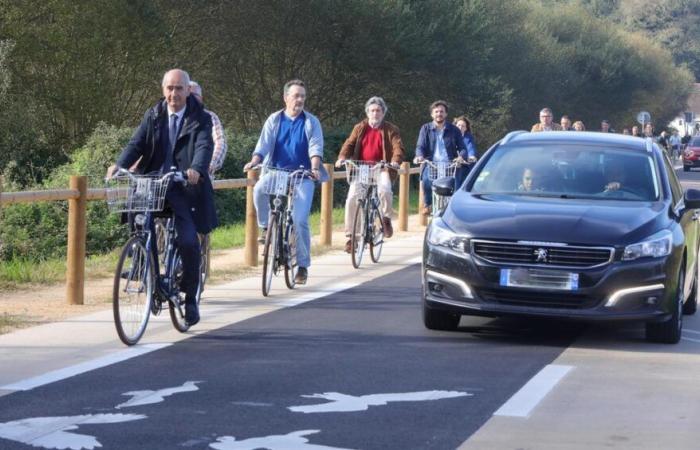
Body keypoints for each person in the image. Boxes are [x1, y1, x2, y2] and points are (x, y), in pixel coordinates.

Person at [106, 69, 217, 327]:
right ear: (163, 89)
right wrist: (119, 165)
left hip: (183, 188)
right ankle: (145, 269)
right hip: (153, 185)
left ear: (189, 90)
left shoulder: (201, 119)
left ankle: (190, 298)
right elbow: (137, 143)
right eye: (169, 88)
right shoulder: (154, 114)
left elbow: (203, 147)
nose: (173, 94)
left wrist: (196, 170)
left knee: (188, 242)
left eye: (179, 88)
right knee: (140, 223)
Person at [243, 79, 326, 285]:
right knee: (260, 189)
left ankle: (303, 266)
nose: (300, 100)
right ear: (285, 98)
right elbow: (263, 145)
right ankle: (265, 227)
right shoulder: (274, 119)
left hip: (303, 175)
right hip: (276, 171)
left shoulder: (311, 121)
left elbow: (316, 147)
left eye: (303, 97)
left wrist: (314, 169)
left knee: (299, 220)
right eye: (296, 96)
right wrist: (254, 161)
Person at [336, 97, 404, 252]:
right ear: (367, 112)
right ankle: (352, 237)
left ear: (383, 112)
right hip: (361, 169)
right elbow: (349, 143)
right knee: (352, 198)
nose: (375, 113)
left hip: (382, 168)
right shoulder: (360, 127)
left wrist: (395, 161)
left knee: (385, 190)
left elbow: (397, 147)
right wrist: (342, 158)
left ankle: (386, 219)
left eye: (378, 110)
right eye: (372, 110)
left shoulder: (391, 129)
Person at [414, 100, 467, 216]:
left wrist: (460, 157)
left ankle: (453, 210)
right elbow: (420, 146)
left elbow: (463, 148)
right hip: (432, 163)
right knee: (427, 180)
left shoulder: (454, 130)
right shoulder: (425, 128)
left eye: (441, 112)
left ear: (446, 114)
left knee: (454, 186)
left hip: (449, 165)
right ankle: (428, 204)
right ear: (432, 114)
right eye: (436, 112)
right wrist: (419, 156)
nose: (439, 114)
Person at [189, 81, 228, 175]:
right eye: (188, 95)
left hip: (201, 175)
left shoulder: (210, 117)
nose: (191, 99)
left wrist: (211, 164)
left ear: (201, 98)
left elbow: (220, 142)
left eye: (194, 95)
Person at [453, 115, 479, 185]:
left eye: (463, 126)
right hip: (450, 164)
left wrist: (472, 156)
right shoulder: (449, 136)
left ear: (466, 128)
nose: (460, 128)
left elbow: (471, 148)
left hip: (463, 165)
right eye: (458, 125)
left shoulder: (468, 138)